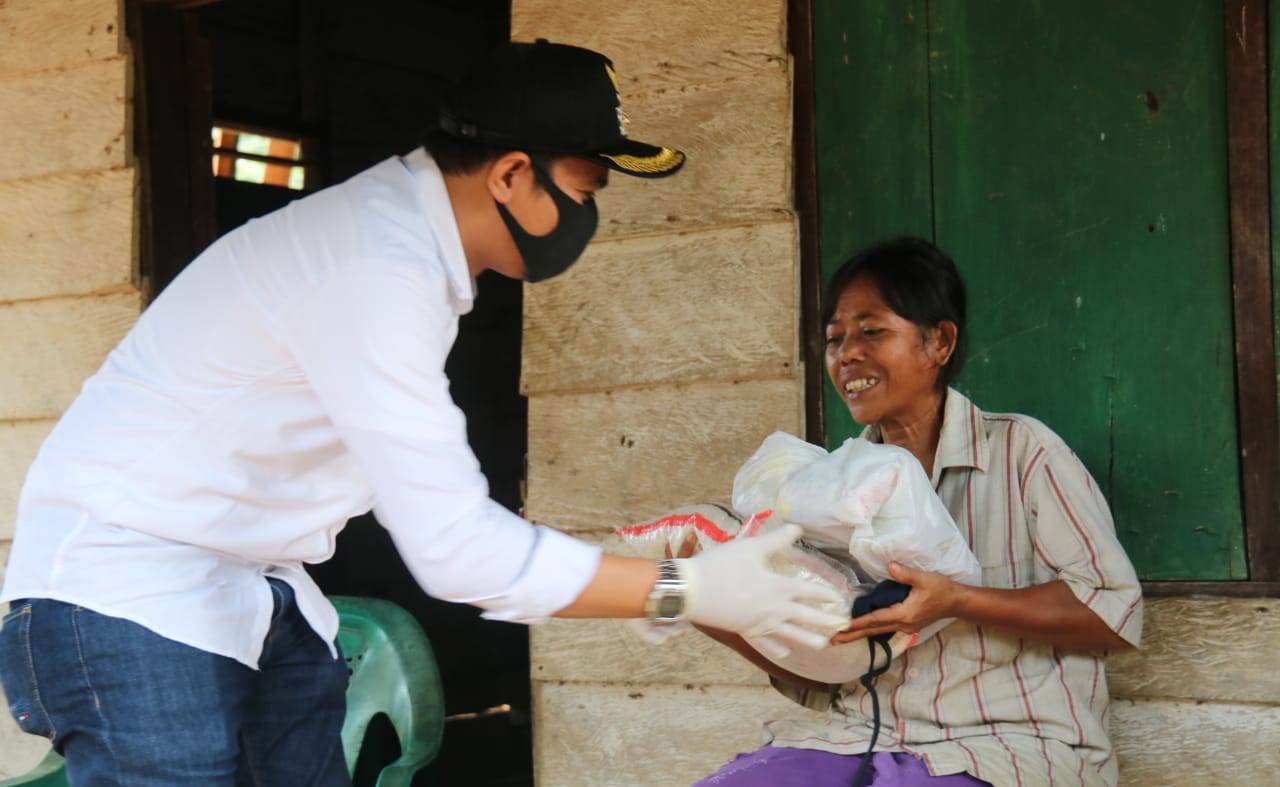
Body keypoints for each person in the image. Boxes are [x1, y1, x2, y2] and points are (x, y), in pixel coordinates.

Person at [0, 41, 846, 787]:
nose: (590, 216)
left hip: (251, 591)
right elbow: (454, 553)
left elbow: (422, 495)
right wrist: (680, 590)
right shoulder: (374, 269)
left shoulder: (404, 258)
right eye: (585, 188)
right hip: (130, 591)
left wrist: (617, 563)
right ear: (512, 173)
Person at [690, 237, 1143, 787]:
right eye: (835, 339)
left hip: (1003, 745)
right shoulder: (827, 489)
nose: (847, 354)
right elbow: (829, 675)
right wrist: (712, 611)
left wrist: (956, 601)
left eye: (872, 331)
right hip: (862, 738)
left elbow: (1111, 615)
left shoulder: (1023, 453)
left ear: (940, 342)